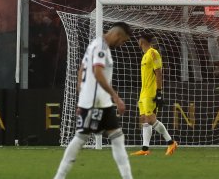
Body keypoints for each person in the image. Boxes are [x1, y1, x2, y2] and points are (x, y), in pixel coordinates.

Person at [54, 22, 134, 179]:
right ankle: (59, 177)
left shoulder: (94, 45)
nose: (121, 45)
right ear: (117, 35)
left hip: (100, 102)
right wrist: (116, 97)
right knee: (81, 137)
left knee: (117, 137)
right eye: (123, 41)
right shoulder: (101, 47)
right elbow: (97, 72)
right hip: (94, 103)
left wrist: (80, 98)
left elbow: (81, 70)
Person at [130, 33, 178, 156]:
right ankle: (145, 149)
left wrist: (159, 92)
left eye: (138, 39)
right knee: (144, 120)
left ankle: (171, 142)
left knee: (151, 119)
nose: (137, 42)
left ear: (142, 41)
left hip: (151, 92)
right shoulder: (145, 56)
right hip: (143, 92)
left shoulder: (153, 53)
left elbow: (159, 72)